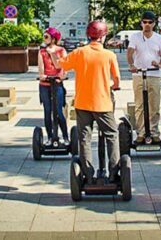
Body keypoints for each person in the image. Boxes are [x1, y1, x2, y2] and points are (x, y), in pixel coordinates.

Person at [51, 20, 121, 182]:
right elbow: (116, 79)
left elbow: (60, 65)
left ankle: (88, 175)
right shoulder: (109, 55)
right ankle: (113, 173)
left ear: (89, 35)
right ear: (103, 37)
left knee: (84, 138)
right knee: (111, 134)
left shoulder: (79, 52)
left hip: (82, 103)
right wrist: (114, 86)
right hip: (103, 104)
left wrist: (53, 53)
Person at [127, 11, 161, 144]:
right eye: (144, 22)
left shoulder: (159, 38)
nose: (147, 25)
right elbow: (130, 52)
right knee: (139, 105)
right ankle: (140, 133)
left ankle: (153, 132)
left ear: (154, 24)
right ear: (141, 23)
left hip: (154, 75)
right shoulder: (135, 37)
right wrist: (131, 65)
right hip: (139, 74)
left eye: (150, 22)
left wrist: (160, 64)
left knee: (154, 105)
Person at [38, 27, 69, 144]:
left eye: (46, 36)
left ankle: (65, 137)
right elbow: (41, 68)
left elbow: (62, 67)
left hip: (57, 83)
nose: (44, 39)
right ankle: (50, 137)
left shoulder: (61, 51)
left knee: (59, 111)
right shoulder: (41, 52)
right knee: (47, 111)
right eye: (44, 36)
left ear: (53, 39)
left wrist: (60, 77)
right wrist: (42, 75)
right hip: (44, 84)